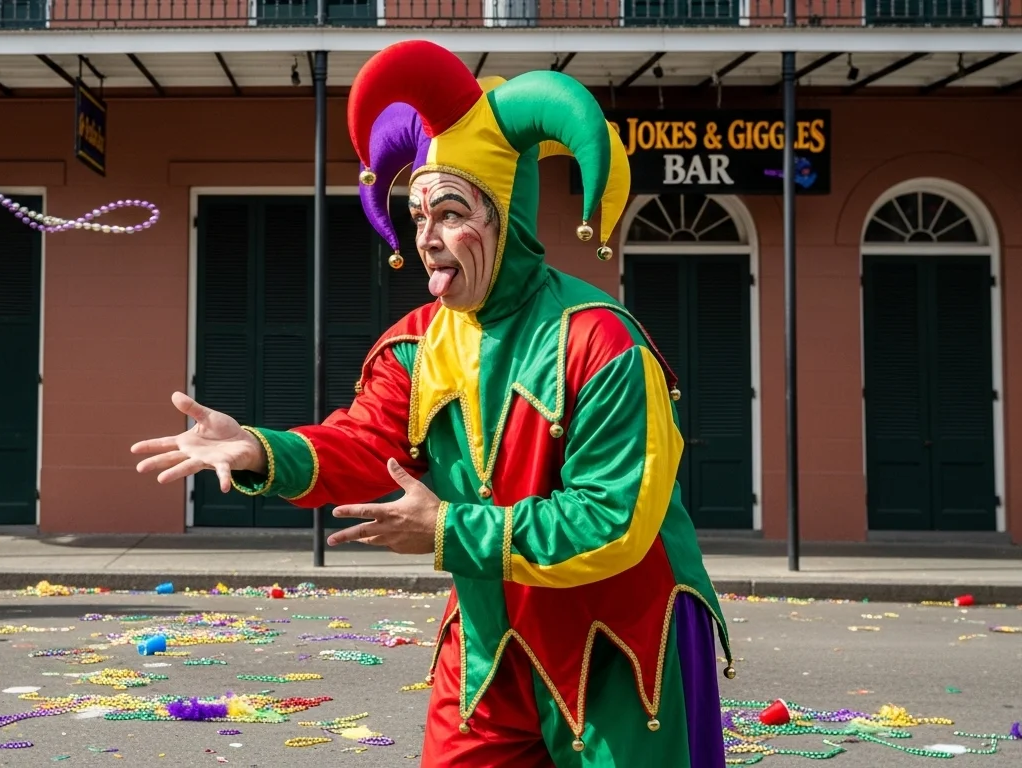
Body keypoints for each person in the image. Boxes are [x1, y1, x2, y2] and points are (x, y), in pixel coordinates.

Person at [132, 41, 732, 768]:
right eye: (417, 217)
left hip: (621, 642)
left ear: (506, 218)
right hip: (489, 639)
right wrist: (261, 449)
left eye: (450, 214)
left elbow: (614, 522)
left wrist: (448, 529)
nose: (427, 241)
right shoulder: (414, 345)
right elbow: (363, 442)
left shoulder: (602, 343)